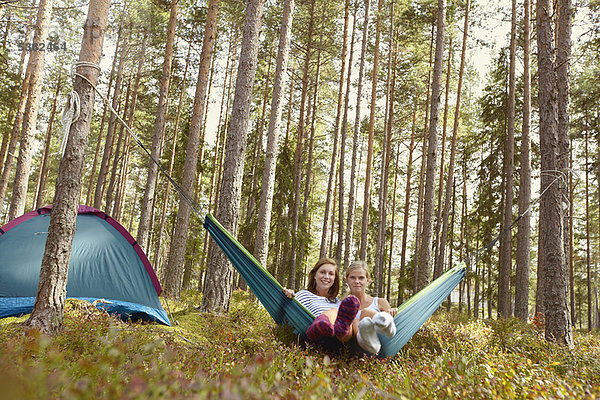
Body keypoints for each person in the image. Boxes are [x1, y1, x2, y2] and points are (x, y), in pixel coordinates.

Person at [283, 257, 360, 343]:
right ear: (314, 275)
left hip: (338, 341)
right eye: (322, 272)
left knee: (346, 320)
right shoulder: (304, 295)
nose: (326, 277)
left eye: (331, 274)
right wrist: (287, 295)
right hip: (316, 335)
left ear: (334, 279)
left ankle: (339, 330)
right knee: (336, 311)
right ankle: (321, 324)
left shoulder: (339, 302)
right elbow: (287, 314)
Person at [344, 260, 397, 354]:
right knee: (357, 321)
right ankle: (367, 340)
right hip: (357, 347)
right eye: (352, 278)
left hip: (382, 338)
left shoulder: (380, 302)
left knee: (365, 313)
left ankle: (388, 328)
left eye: (361, 278)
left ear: (367, 280)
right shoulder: (343, 306)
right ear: (347, 280)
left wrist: (391, 311)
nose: (357, 281)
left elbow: (392, 316)